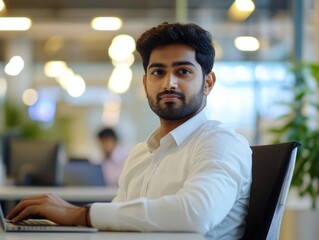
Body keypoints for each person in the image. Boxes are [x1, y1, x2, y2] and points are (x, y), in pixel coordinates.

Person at [7, 22, 252, 239]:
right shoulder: (141, 154)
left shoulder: (222, 143)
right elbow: (117, 223)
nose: (169, 83)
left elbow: (196, 214)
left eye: (183, 71)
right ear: (146, 84)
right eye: (158, 72)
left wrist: (78, 214)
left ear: (208, 83)